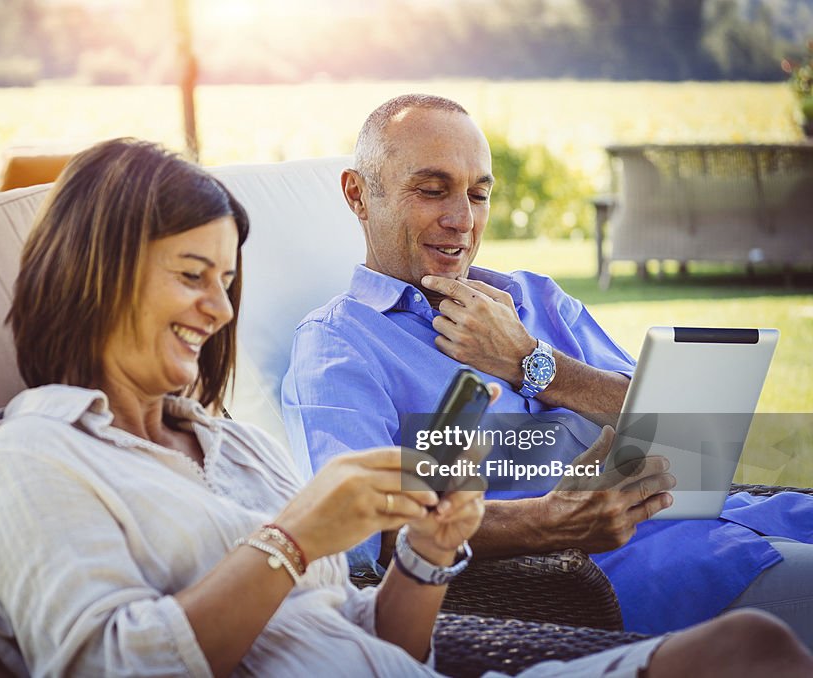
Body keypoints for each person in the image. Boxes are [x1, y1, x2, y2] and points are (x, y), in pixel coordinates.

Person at [0, 137, 813, 677]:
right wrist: (298, 538)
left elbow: (362, 615)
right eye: (191, 275)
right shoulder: (30, 464)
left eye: (228, 281)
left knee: (753, 650)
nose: (218, 309)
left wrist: (531, 370)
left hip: (725, 517)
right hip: (607, 579)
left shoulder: (232, 448)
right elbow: (350, 544)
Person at [281, 94, 813, 645]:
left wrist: (532, 362)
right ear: (358, 195)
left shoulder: (537, 299)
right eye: (432, 190)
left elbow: (693, 431)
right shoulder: (339, 347)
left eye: (479, 194)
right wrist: (548, 521)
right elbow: (362, 534)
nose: (462, 220)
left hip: (749, 518)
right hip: (624, 579)